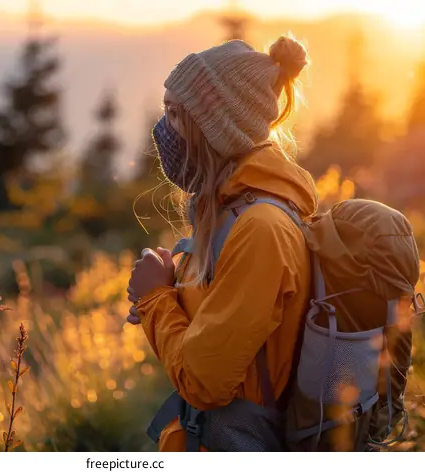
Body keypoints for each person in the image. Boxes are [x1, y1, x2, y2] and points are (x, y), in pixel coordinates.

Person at [126, 35, 318, 451]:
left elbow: (203, 382)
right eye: (164, 110)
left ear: (214, 126)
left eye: (175, 114)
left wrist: (156, 299)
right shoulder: (230, 213)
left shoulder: (261, 228)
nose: (163, 129)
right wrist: (170, 292)